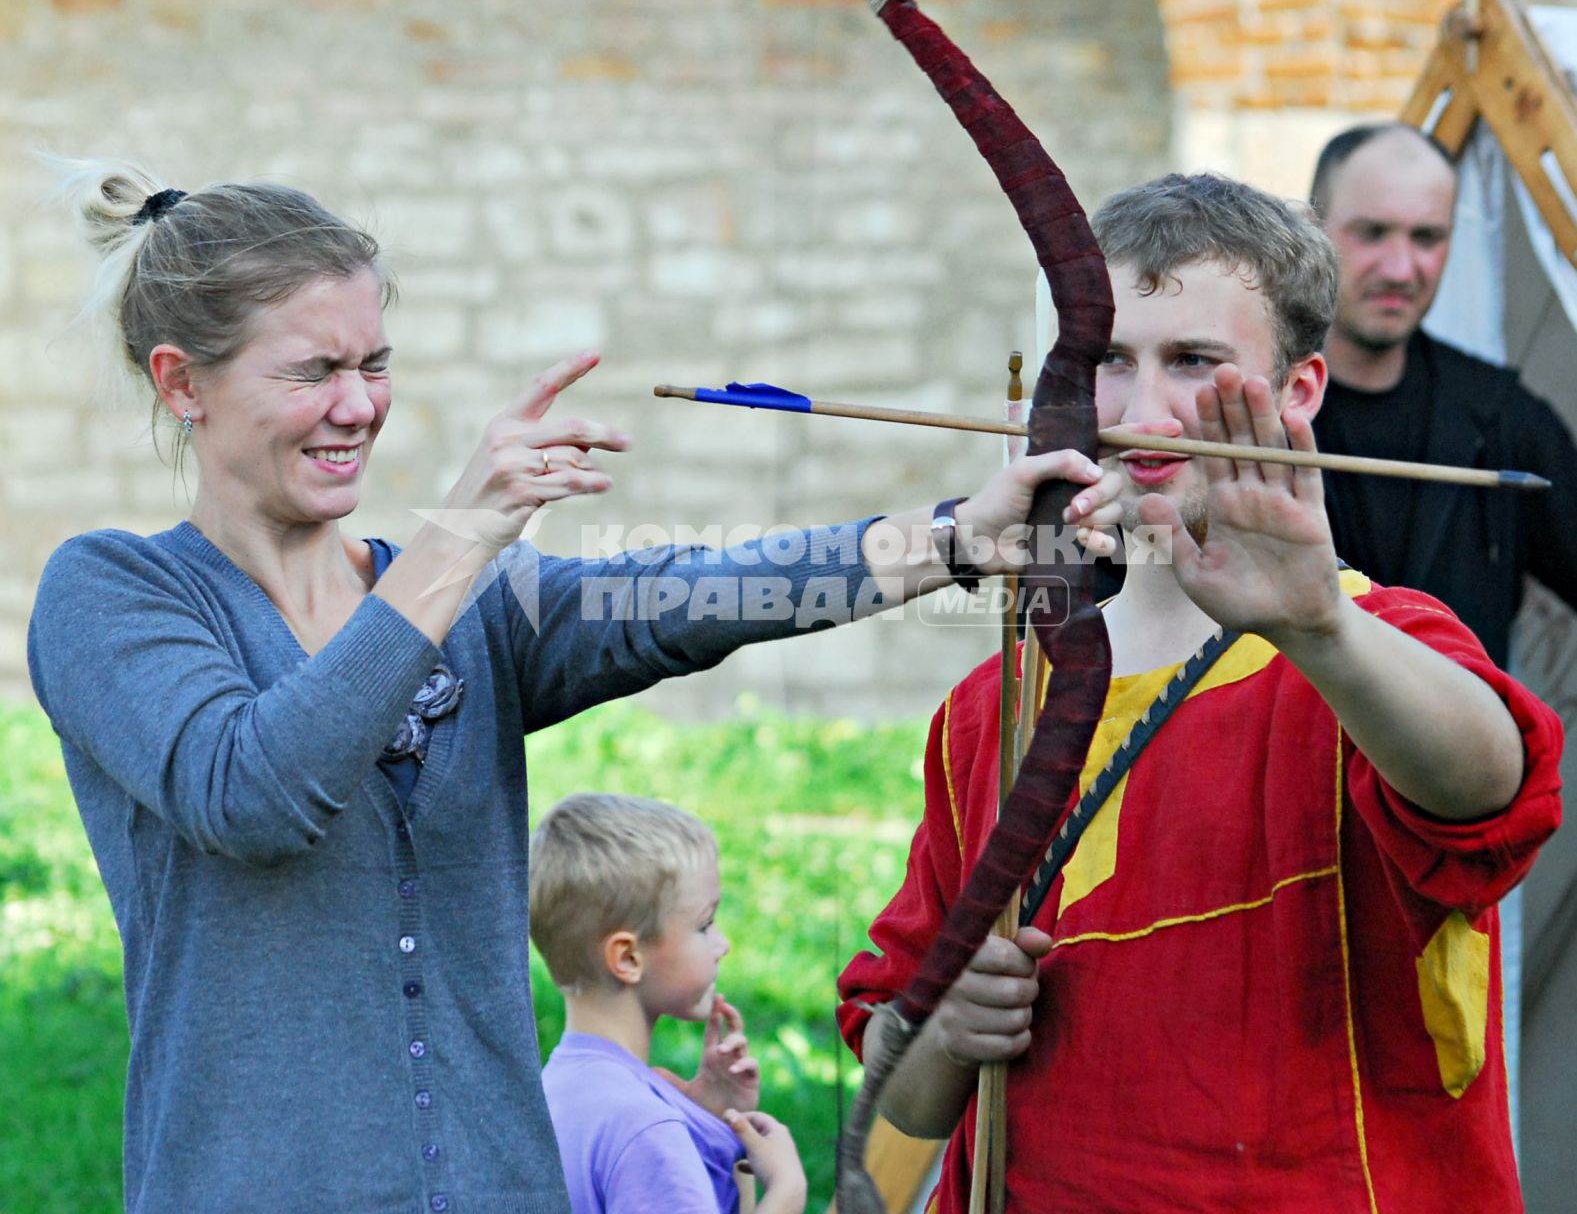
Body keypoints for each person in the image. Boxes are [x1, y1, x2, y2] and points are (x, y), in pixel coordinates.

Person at [25, 160, 1104, 1213]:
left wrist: (958, 535)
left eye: (376, 362)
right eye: (312, 372)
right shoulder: (112, 593)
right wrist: (460, 540)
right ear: (182, 383)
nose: (359, 405)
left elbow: (689, 597)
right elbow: (257, 791)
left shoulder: (460, 601)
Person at [838, 173, 1565, 1213]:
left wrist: (1316, 625)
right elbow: (881, 1142)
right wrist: (946, 1031)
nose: (1140, 415)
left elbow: (1489, 794)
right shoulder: (990, 707)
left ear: (1300, 391)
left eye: (1192, 361)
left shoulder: (1372, 644)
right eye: (1103, 362)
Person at [1308, 122, 1577, 667]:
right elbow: (1128, 567)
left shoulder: (1500, 416)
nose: (1402, 268)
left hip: (1464, 750)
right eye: (1373, 232)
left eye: (1426, 237)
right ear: (1312, 231)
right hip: (1292, 750)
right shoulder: (1239, 404)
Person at [530, 793, 805, 1214]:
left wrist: (720, 1124)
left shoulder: (553, 1092)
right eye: (705, 924)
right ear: (627, 958)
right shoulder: (645, 1128)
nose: (723, 945)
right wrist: (786, 1194)